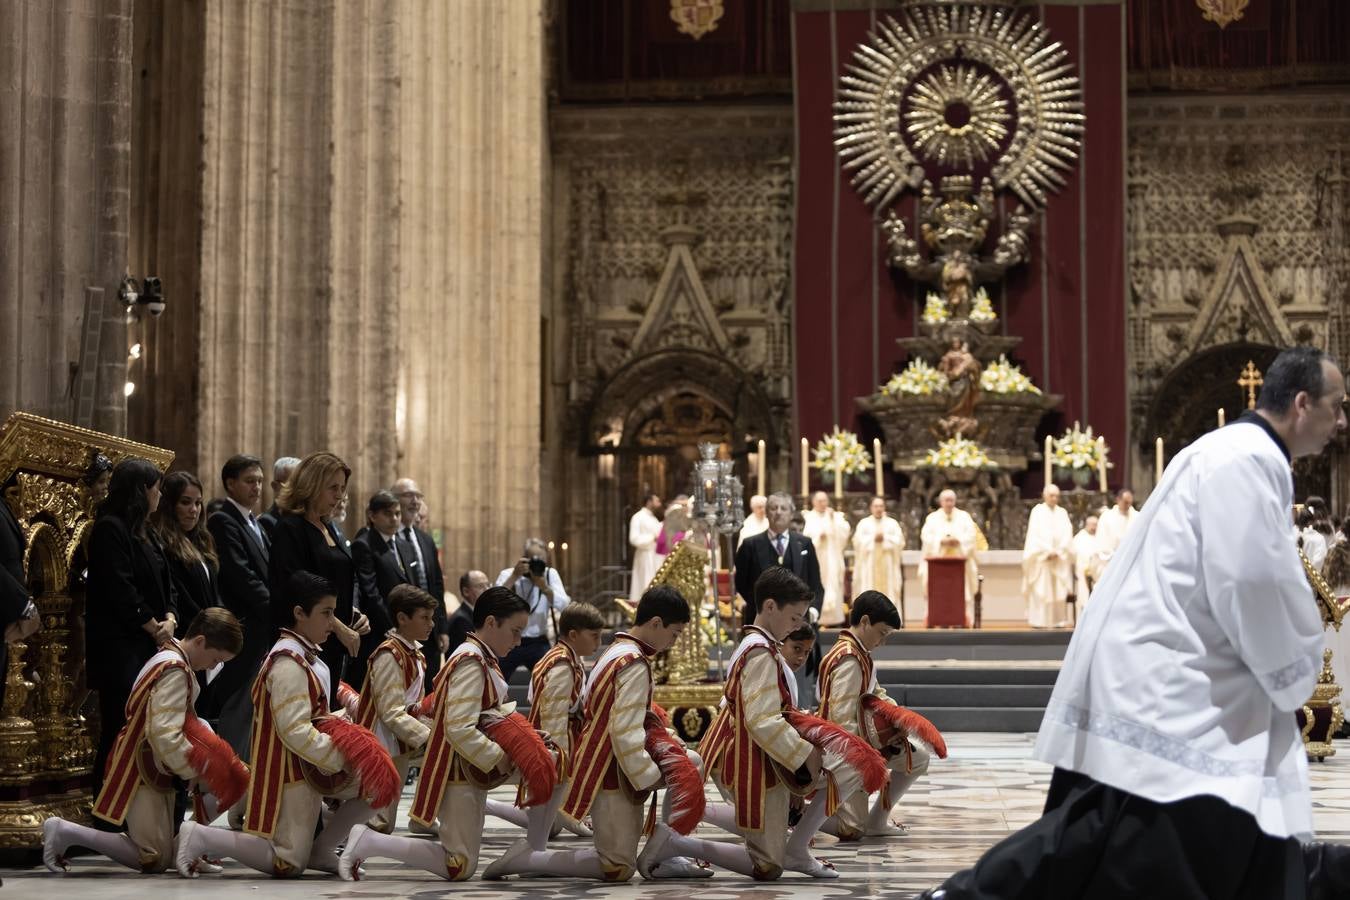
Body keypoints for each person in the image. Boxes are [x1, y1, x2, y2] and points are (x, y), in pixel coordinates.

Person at [920, 345, 1350, 899]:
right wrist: (1295, 671)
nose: (1341, 422)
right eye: (1336, 406)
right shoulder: (1248, 460)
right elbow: (1251, 582)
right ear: (1300, 403)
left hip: (1163, 670)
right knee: (1114, 834)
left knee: (1127, 831)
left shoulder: (1226, 451)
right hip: (1172, 682)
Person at [175, 571, 384, 879]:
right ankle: (200, 836)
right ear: (299, 614)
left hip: (307, 762)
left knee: (379, 783)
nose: (332, 622)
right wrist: (340, 758)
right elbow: (295, 730)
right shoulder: (288, 661)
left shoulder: (305, 655)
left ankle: (323, 848)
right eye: (326, 613)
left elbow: (312, 717)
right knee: (287, 863)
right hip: (288, 771)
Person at [337, 586, 550, 882]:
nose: (519, 640)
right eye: (514, 631)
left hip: (451, 756)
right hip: (401, 745)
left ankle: (533, 850)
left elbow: (483, 715)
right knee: (386, 821)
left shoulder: (462, 657)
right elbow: (400, 713)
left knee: (456, 860)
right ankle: (366, 841)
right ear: (490, 623)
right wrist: (492, 754)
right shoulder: (459, 660)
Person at [638, 567, 832, 881]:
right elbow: (762, 720)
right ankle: (673, 842)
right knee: (766, 864)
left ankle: (676, 840)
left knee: (769, 859)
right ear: (770, 607)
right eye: (794, 617)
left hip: (762, 755)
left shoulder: (761, 646)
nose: (797, 625)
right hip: (754, 759)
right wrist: (803, 754)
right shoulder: (758, 652)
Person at [485, 587, 691, 882]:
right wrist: (650, 777)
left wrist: (664, 738)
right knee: (615, 866)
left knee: (612, 860)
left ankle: (671, 852)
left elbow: (625, 715)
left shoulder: (622, 652)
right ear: (656, 624)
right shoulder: (626, 661)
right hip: (606, 762)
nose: (674, 642)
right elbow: (615, 726)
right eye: (675, 634)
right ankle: (530, 857)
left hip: (605, 756)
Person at [44, 608, 242, 874]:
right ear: (200, 641)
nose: (213, 667)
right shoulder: (175, 669)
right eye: (216, 659)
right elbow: (163, 731)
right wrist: (193, 769)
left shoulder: (171, 657)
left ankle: (193, 846)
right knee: (155, 858)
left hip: (152, 763)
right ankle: (64, 831)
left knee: (233, 778)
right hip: (141, 767)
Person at [87, 458, 177, 794]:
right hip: (121, 648)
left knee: (145, 729)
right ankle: (108, 808)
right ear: (141, 491)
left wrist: (170, 618)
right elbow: (120, 589)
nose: (159, 495)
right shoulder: (111, 528)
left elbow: (168, 585)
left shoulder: (147, 531)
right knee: (119, 728)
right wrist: (156, 628)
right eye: (156, 488)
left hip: (150, 644)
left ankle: (136, 806)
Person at [483, 601, 603, 839]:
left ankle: (489, 805)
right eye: (594, 636)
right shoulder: (561, 663)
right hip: (553, 738)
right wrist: (559, 758)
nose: (598, 643)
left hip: (567, 731)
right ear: (573, 634)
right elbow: (553, 718)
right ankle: (487, 805)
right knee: (550, 823)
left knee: (550, 822)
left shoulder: (568, 657)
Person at [817, 591, 930, 841]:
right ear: (865, 621)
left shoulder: (859, 653)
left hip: (862, 741)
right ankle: (794, 814)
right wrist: (871, 754)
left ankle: (877, 820)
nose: (882, 642)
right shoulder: (848, 658)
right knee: (851, 830)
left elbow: (876, 694)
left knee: (918, 757)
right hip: (842, 750)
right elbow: (841, 719)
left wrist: (897, 717)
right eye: (882, 634)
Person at [267, 451, 369, 706]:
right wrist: (339, 625)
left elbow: (335, 580)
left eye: (342, 488)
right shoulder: (290, 528)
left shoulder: (330, 527)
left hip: (333, 641)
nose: (339, 495)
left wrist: (351, 612)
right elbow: (298, 586)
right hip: (306, 641)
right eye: (332, 487)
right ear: (311, 485)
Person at [355, 584, 438, 833]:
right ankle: (331, 829)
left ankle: (424, 816)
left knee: (383, 819)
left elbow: (413, 704)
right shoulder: (390, 654)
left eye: (431, 618)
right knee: (378, 819)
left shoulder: (416, 655)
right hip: (381, 739)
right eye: (424, 618)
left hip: (400, 736)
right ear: (402, 618)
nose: (431, 624)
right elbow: (389, 711)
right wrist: (427, 736)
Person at [205, 454, 271, 756]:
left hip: (263, 626)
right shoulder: (224, 519)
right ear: (230, 483)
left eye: (259, 481)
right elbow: (240, 574)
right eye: (249, 481)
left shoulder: (253, 521)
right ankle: (232, 772)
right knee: (239, 704)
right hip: (246, 625)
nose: (256, 487)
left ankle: (248, 773)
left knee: (253, 705)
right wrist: (277, 608)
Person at [734, 492, 824, 627]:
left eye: (783, 508)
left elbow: (815, 582)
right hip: (762, 622)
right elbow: (741, 583)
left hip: (799, 623)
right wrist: (761, 607)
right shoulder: (750, 545)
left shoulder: (805, 543)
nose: (778, 512)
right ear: (766, 513)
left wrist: (813, 609)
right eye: (773, 508)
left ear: (791, 514)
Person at [349, 490, 409, 689]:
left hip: (402, 624)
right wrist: (392, 625)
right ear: (372, 516)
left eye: (398, 513)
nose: (394, 519)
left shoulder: (400, 543)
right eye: (388, 513)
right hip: (379, 628)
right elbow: (370, 591)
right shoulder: (364, 544)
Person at [392, 477, 447, 686]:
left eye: (418, 496)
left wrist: (442, 627)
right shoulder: (389, 539)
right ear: (394, 500)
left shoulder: (425, 539)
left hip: (429, 632)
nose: (415, 501)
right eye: (408, 495)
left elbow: (437, 586)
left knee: (427, 690)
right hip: (401, 629)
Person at [152, 473, 220, 641]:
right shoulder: (163, 545)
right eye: (185, 502)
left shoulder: (201, 541)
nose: (194, 510)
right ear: (169, 505)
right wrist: (208, 628)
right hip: (186, 634)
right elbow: (180, 597)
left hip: (208, 634)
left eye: (198, 503)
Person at [495, 538, 571, 680]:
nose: (537, 564)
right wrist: (514, 576)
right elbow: (493, 601)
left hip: (537, 641)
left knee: (549, 682)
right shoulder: (509, 574)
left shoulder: (549, 574)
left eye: (541, 560)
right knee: (496, 680)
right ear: (524, 559)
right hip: (509, 640)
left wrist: (545, 587)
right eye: (533, 560)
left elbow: (565, 606)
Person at [919, 490, 981, 624]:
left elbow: (971, 536)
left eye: (951, 500)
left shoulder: (964, 517)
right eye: (946, 500)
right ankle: (937, 619)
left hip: (960, 563)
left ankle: (962, 619)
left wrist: (958, 541)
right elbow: (926, 537)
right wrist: (940, 542)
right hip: (937, 565)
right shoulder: (932, 518)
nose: (948, 503)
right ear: (940, 502)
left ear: (955, 501)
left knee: (961, 591)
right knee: (937, 591)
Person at [1021, 484, 1073, 629]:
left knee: (1058, 591)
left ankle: (1057, 620)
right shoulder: (1037, 512)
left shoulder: (1062, 512)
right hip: (1042, 559)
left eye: (1057, 496)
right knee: (1041, 590)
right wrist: (1046, 551)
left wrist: (1059, 551)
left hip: (1058, 558)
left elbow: (1067, 533)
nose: (1054, 498)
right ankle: (1039, 620)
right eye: (1051, 495)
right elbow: (1034, 535)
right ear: (1044, 496)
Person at [802, 491, 852, 627]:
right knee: (818, 584)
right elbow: (805, 537)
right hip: (817, 558)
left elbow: (844, 533)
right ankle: (818, 617)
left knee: (834, 583)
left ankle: (834, 620)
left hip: (832, 558)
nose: (823, 504)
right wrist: (818, 537)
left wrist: (833, 521)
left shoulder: (834, 516)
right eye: (820, 501)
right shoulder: (810, 517)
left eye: (825, 501)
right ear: (814, 503)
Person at [852, 497, 905, 615]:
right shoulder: (864, 524)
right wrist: (873, 539)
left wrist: (885, 539)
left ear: (884, 507)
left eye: (881, 506)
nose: (878, 509)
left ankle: (890, 617)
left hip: (888, 565)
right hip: (869, 565)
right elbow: (857, 542)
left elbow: (900, 542)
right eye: (876, 506)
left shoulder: (892, 523)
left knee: (889, 591)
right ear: (871, 508)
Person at [627, 493, 664, 601]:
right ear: (649, 502)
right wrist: (652, 538)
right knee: (644, 584)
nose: (659, 504)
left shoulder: (654, 519)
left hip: (655, 557)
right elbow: (633, 539)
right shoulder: (638, 517)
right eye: (657, 501)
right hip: (644, 556)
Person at [446, 570, 489, 654]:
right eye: (480, 586)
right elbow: (467, 654)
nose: (487, 590)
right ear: (466, 591)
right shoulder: (461, 619)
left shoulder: (476, 614)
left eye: (488, 585)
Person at [258, 456, 300, 543]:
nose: (299, 489)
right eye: (292, 484)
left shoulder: (304, 516)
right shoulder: (267, 521)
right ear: (275, 486)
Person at [1093, 489, 1136, 571]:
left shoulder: (1136, 517)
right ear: (1118, 500)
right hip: (1111, 560)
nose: (1128, 505)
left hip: (1131, 560)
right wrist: (1112, 555)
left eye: (1130, 503)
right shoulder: (1107, 517)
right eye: (1125, 502)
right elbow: (1102, 538)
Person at [1070, 514, 1104, 609]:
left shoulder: (1100, 537)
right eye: (1092, 525)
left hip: (1098, 569)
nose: (1094, 527)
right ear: (1087, 524)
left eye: (1096, 525)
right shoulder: (1079, 538)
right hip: (1083, 570)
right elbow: (1076, 555)